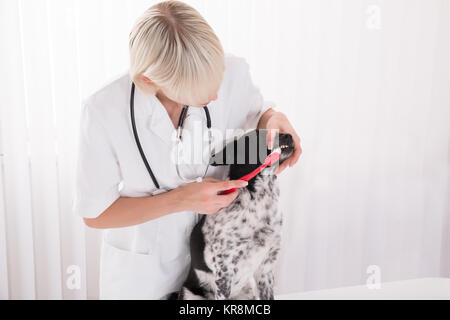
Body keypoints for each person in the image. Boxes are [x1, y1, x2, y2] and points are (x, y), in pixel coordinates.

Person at [72, 0, 301, 299]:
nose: (216, 94)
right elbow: (95, 215)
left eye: (217, 79)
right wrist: (181, 199)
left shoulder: (233, 70)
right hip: (143, 278)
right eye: (200, 94)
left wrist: (274, 119)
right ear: (149, 80)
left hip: (219, 271)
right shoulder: (103, 111)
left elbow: (258, 115)